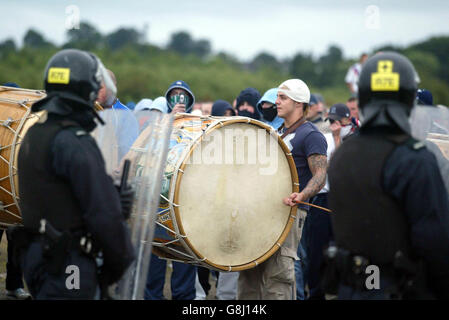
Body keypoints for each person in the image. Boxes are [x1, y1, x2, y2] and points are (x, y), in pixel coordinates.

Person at [13, 49, 135, 299]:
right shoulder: (75, 141)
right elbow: (104, 217)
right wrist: (119, 262)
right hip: (70, 267)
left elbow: (59, 195)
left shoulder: (35, 134)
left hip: (39, 259)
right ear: (86, 90)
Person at [326, 51, 449, 299]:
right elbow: (435, 244)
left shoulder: (342, 154)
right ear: (408, 100)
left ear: (362, 98)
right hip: (401, 289)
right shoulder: (417, 159)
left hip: (351, 288)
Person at [238, 79, 327, 300]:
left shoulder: (311, 134)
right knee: (248, 271)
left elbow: (320, 175)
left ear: (299, 103)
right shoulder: (276, 131)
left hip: (288, 214)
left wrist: (303, 194)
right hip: (260, 213)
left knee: (278, 278)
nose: (276, 102)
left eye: (282, 97)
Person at [145, 81, 197, 301]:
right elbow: (148, 155)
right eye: (174, 95)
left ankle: (185, 299)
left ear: (190, 100)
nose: (179, 99)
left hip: (187, 203)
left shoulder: (198, 124)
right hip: (158, 202)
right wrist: (171, 120)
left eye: (183, 95)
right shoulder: (157, 125)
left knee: (185, 260)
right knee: (155, 260)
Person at [97, 69, 139, 160]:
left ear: (111, 88)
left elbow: (127, 153)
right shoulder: (89, 109)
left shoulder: (125, 114)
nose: (95, 91)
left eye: (100, 88)